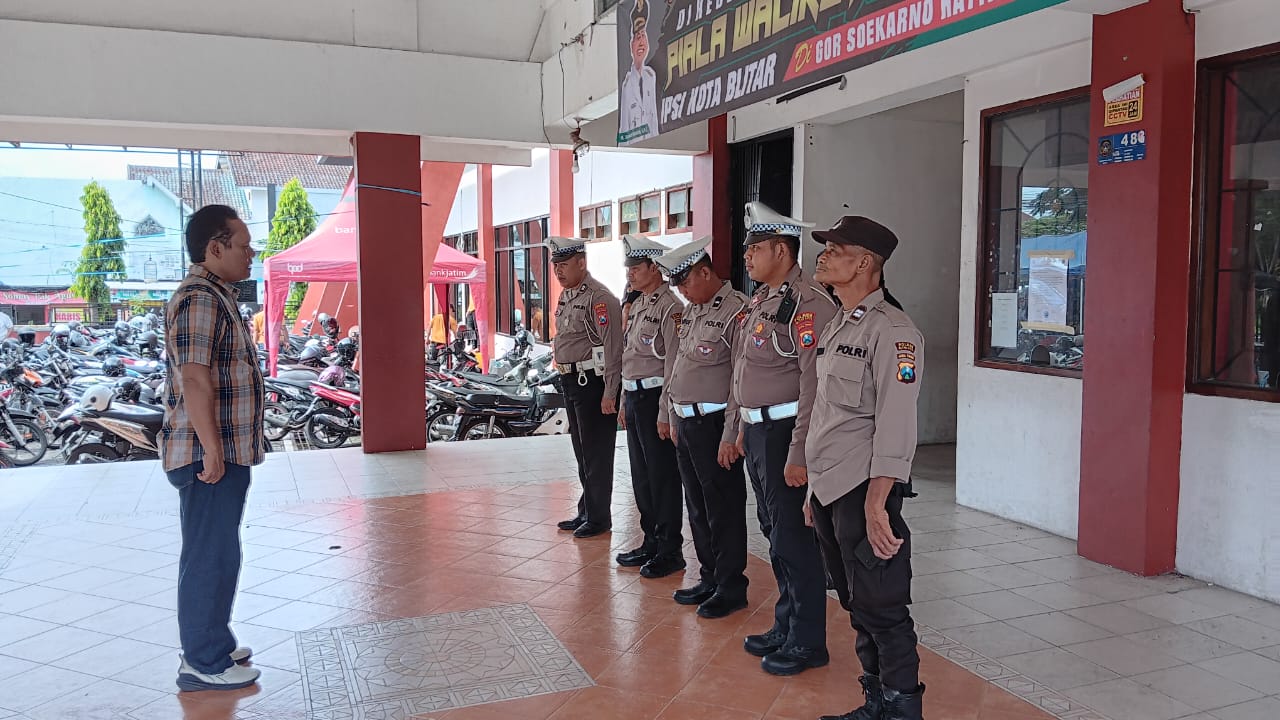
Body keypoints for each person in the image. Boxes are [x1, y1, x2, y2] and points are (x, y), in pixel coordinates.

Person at [807, 217, 926, 720]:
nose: (823, 256)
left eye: (835, 250)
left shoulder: (894, 332)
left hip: (863, 489)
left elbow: (896, 424)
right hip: (831, 487)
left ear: (864, 263)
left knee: (883, 607)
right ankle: (875, 702)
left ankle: (902, 709)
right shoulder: (840, 323)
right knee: (856, 603)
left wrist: (878, 504)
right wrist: (813, 490)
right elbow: (826, 414)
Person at [161, 204, 265, 692]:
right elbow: (195, 379)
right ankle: (202, 659)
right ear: (216, 248)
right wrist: (212, 449)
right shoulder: (200, 298)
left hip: (221, 451)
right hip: (208, 456)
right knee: (209, 556)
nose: (251, 253)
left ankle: (214, 642)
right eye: (244, 245)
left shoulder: (216, 295)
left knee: (220, 551)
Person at [734, 202, 839, 676]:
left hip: (784, 434)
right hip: (758, 431)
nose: (748, 256)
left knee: (795, 539)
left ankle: (808, 640)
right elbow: (745, 371)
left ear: (781, 249)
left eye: (755, 247)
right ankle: (786, 622)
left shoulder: (809, 303)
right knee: (774, 534)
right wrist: (740, 427)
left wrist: (799, 453)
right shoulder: (762, 299)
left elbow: (812, 387)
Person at [655, 236, 753, 619]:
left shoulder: (737, 310)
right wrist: (671, 413)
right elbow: (679, 366)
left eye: (685, 282)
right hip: (687, 422)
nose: (681, 290)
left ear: (706, 272)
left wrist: (731, 434)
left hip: (715, 425)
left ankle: (731, 586)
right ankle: (709, 576)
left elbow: (740, 380)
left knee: (722, 508)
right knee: (697, 507)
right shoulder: (692, 311)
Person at [615, 235, 686, 578]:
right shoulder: (640, 303)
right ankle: (651, 541)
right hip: (635, 397)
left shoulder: (670, 308)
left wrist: (665, 412)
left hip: (656, 398)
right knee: (642, 477)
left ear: (654, 268)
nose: (629, 273)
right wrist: (623, 400)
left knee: (662, 478)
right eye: (628, 268)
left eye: (635, 267)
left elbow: (673, 364)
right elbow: (630, 358)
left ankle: (670, 549)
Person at [549, 237, 623, 538]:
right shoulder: (567, 295)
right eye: (556, 266)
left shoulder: (600, 298)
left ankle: (599, 517)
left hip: (592, 382)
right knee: (582, 452)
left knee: (596, 453)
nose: (558, 271)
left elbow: (613, 348)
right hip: (571, 380)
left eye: (564, 265)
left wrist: (610, 392)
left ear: (581, 263)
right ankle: (587, 509)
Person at [619, 0, 660, 142]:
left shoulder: (651, 77)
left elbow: (654, 122)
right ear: (631, 45)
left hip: (652, 148)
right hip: (635, 149)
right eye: (637, 37)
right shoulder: (626, 86)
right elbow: (623, 129)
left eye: (643, 36)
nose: (641, 42)